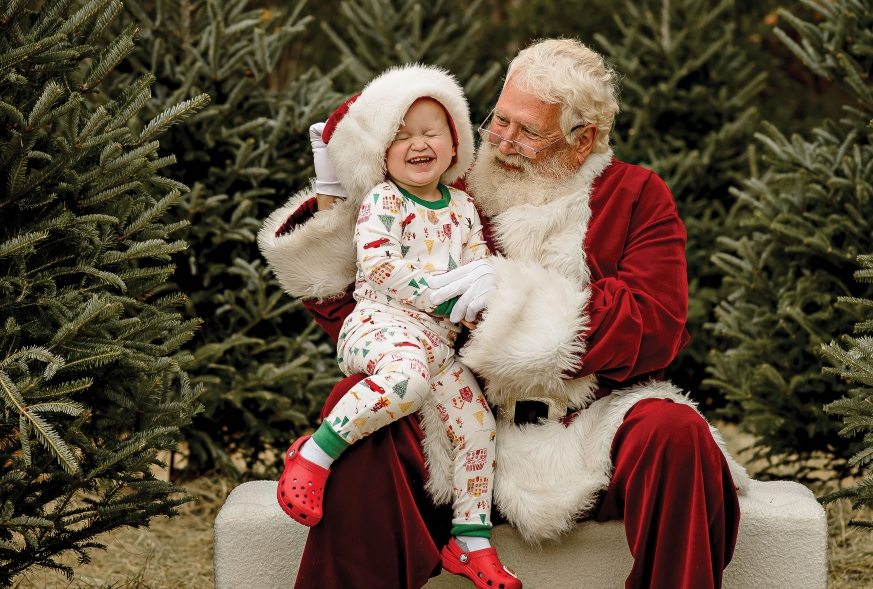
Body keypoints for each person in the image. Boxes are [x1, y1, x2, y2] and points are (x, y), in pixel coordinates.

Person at [259, 39, 749, 589]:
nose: (503, 141)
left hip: (587, 425)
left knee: (676, 432)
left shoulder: (637, 194)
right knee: (367, 419)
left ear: (582, 139)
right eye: (499, 119)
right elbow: (365, 304)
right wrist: (338, 177)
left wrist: (514, 300)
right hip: (462, 418)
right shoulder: (449, 185)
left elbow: (655, 324)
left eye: (529, 132)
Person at [271, 64, 520, 589]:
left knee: (477, 425)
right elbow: (379, 264)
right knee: (405, 380)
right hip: (381, 325)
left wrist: (480, 298)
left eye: (431, 132)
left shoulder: (463, 208)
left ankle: (470, 539)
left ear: (454, 146)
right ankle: (314, 454)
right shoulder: (383, 202)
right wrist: (439, 294)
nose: (417, 144)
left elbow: (478, 266)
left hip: (440, 344)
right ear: (381, 153)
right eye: (401, 136)